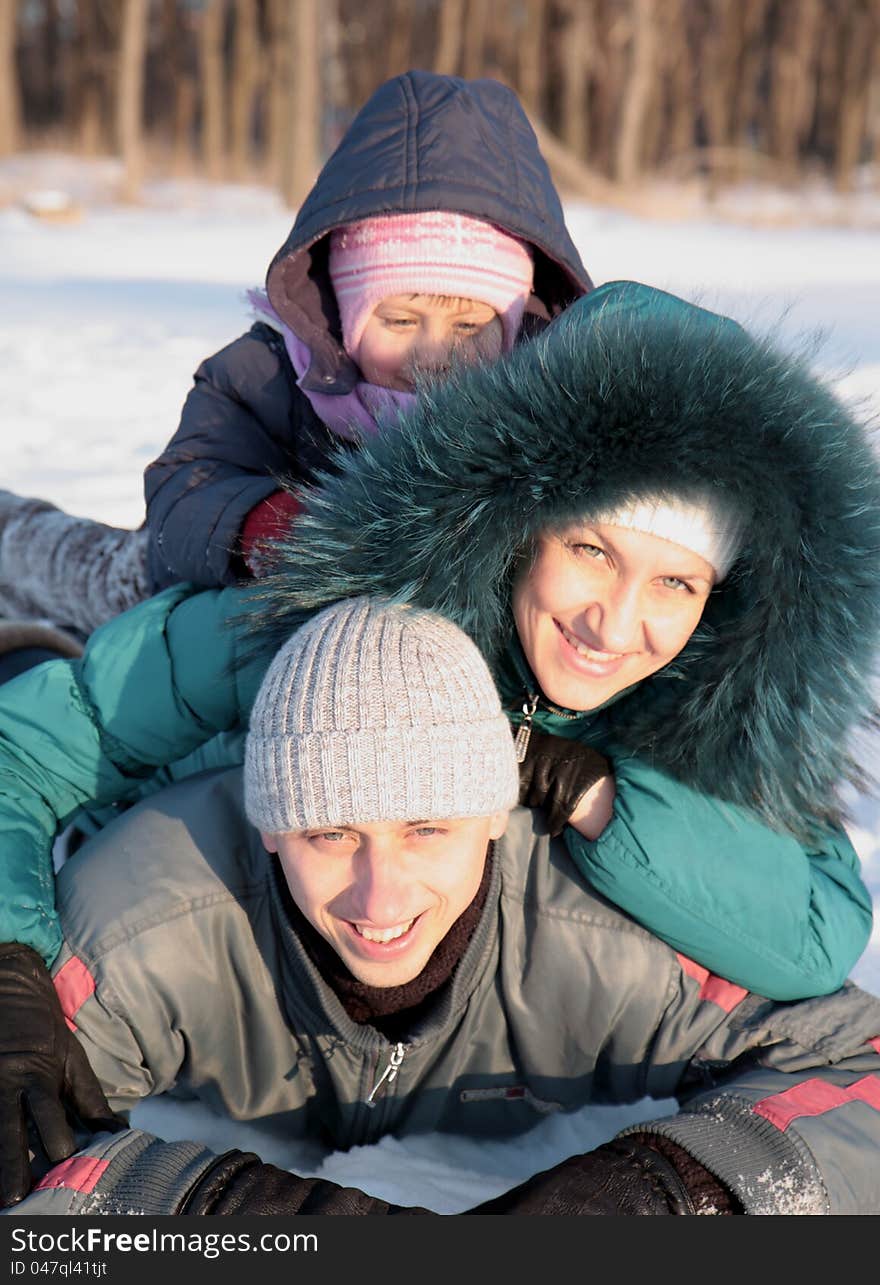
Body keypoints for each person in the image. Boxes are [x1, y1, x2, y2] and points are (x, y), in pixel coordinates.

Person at [1, 281, 878, 1203]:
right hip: (188, 890)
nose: (616, 625)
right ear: (517, 526)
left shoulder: (689, 715)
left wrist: (600, 797)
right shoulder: (331, 639)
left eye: (678, 581)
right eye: (591, 550)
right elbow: (37, 745)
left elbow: (816, 935)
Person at [6, 597, 880, 1217]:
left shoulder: (599, 933)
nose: (379, 895)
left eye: (428, 829)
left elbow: (859, 1065)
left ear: (496, 820)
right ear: (269, 827)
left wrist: (664, 1193)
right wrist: (237, 1212)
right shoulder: (151, 918)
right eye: (330, 833)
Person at [0, 69, 589, 643]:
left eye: (469, 327)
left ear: (513, 327)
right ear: (348, 315)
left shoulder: (544, 404)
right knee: (78, 574)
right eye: (401, 320)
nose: (433, 354)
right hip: (193, 588)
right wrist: (261, 524)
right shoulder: (272, 375)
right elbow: (187, 484)